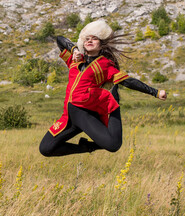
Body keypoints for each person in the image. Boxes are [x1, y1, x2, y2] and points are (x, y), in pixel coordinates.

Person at [39, 19, 167, 157]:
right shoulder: (75, 60)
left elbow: (128, 81)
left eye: (94, 39)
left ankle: (114, 107)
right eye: (87, 38)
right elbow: (59, 39)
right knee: (46, 149)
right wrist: (74, 49)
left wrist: (155, 92)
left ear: (101, 45)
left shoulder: (105, 65)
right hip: (68, 118)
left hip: (84, 113)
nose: (90, 41)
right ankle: (86, 147)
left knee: (113, 145)